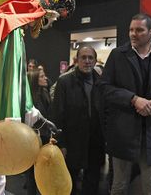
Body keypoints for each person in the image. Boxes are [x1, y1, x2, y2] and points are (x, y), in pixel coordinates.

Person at [0, 0, 74, 195]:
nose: (51, 23)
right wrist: (34, 120)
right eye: (52, 17)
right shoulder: (12, 30)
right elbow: (12, 86)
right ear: (44, 10)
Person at [99, 13, 151, 195]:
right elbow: (104, 87)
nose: (133, 34)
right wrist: (133, 99)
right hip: (123, 132)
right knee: (119, 186)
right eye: (131, 29)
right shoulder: (117, 55)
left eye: (139, 30)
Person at [52, 46, 105, 195]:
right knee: (69, 183)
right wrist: (61, 143)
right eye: (83, 57)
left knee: (93, 182)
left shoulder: (102, 83)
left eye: (90, 58)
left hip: (95, 142)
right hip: (72, 141)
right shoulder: (64, 82)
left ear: (95, 61)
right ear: (77, 60)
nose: (87, 61)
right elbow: (57, 115)